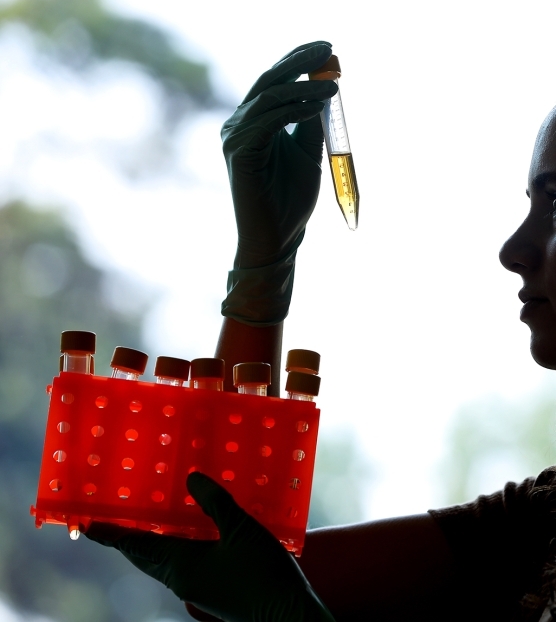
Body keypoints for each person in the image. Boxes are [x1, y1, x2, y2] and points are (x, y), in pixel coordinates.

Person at [87, 41, 556, 622]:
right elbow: (221, 554)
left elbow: (247, 582)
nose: (514, 250)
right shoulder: (540, 525)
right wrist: (263, 268)